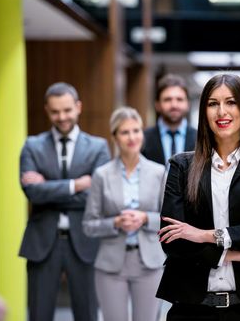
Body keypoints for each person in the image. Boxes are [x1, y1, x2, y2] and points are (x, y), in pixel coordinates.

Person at [156, 73, 240, 321]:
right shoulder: (181, 166)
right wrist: (230, 253)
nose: (221, 112)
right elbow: (171, 240)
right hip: (192, 308)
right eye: (213, 103)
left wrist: (206, 235)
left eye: (231, 102)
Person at [19, 82, 110, 321]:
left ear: (78, 107)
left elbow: (97, 196)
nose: (62, 117)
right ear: (47, 111)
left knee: (87, 314)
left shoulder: (98, 147)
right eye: (55, 111)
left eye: (67, 110)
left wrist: (48, 188)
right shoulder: (32, 146)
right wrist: (75, 185)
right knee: (39, 314)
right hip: (42, 244)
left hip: (85, 243)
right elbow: (33, 193)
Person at [83, 107, 166, 321]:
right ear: (115, 137)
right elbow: (89, 224)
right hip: (111, 265)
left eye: (136, 131)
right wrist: (116, 222)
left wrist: (145, 218)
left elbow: (169, 220)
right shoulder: (102, 175)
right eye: (125, 132)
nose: (132, 137)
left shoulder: (158, 172)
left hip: (149, 263)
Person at [142, 73, 197, 165]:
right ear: (157, 105)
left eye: (179, 99)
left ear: (188, 104)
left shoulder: (201, 139)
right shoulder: (142, 139)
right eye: (168, 99)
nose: (174, 105)